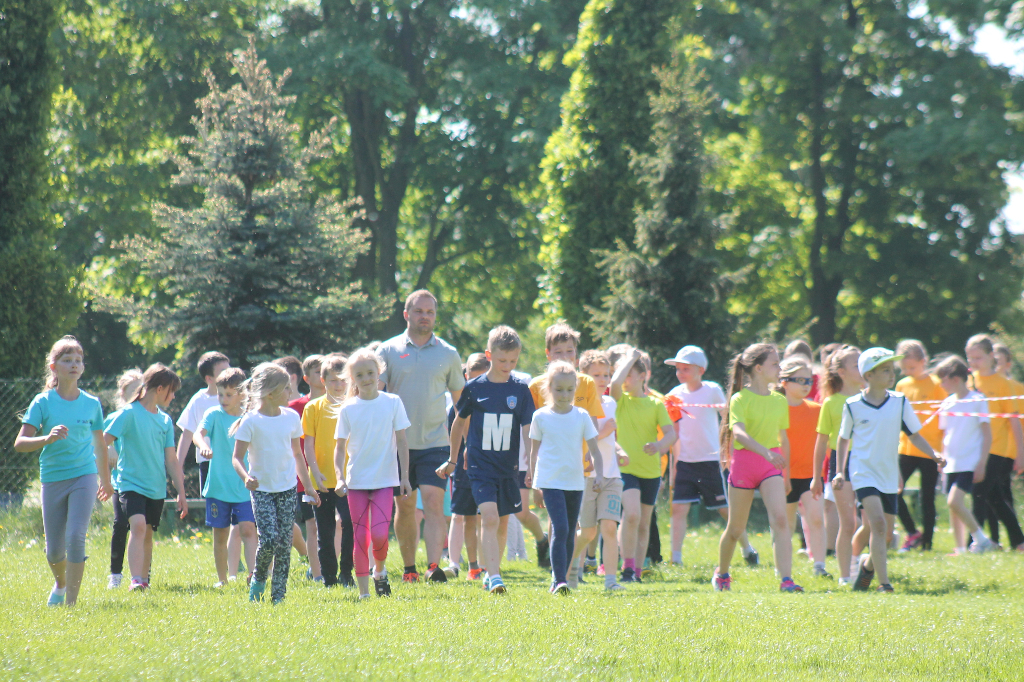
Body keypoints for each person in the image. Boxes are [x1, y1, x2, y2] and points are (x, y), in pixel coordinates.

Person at [833, 348, 945, 593]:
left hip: (888, 475)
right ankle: (884, 584)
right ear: (868, 375)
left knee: (883, 533)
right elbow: (843, 439)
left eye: (891, 369)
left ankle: (867, 566)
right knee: (878, 524)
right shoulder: (852, 405)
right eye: (884, 370)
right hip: (863, 473)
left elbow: (914, 435)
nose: (891, 374)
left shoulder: (899, 402)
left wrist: (933, 454)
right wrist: (840, 471)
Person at [14, 336, 113, 606]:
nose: (74, 364)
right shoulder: (42, 402)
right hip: (53, 478)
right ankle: (60, 584)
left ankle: (71, 604)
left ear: (83, 367)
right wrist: (47, 439)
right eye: (67, 360)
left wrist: (106, 480)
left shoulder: (92, 403)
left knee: (76, 536)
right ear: (54, 366)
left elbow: (100, 446)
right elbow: (20, 443)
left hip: (84, 475)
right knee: (54, 551)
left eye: (78, 360)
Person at [377, 290, 466, 583]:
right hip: (398, 444)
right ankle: (409, 569)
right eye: (419, 311)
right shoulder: (387, 351)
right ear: (407, 315)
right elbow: (374, 396)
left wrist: (463, 445)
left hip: (435, 444)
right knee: (404, 505)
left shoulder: (449, 353)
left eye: (430, 312)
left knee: (432, 501)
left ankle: (433, 567)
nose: (425, 317)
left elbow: (461, 404)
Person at [442, 325, 534, 594]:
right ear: (489, 354)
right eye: (502, 360)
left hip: (509, 468)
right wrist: (452, 459)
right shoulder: (473, 389)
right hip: (480, 467)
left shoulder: (520, 390)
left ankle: (492, 569)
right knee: (490, 517)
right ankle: (493, 576)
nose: (507, 365)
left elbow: (528, 429)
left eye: (513, 361)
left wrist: (532, 465)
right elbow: (458, 425)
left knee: (503, 521)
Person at [231, 363, 322, 604]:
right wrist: (246, 477)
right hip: (261, 490)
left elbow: (297, 455)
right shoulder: (250, 422)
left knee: (284, 542)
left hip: (287, 488)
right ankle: (259, 578)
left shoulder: (291, 418)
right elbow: (237, 458)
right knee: (269, 539)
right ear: (270, 393)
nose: (291, 393)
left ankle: (278, 596)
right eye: (286, 389)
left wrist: (310, 487)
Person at [713, 343, 800, 593]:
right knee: (736, 529)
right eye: (775, 363)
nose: (780, 367)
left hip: (771, 466)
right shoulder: (740, 398)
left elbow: (783, 439)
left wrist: (787, 474)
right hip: (745, 466)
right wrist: (765, 452)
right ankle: (723, 574)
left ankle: (786, 580)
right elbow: (738, 434)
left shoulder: (778, 400)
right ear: (759, 368)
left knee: (781, 520)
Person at [663, 345, 758, 568]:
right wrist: (675, 463)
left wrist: (729, 451)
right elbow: (673, 431)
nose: (680, 373)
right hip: (685, 462)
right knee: (678, 509)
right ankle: (675, 558)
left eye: (685, 368)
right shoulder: (674, 395)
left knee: (726, 511)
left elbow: (728, 420)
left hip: (710, 462)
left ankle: (747, 549)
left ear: (700, 370)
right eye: (678, 369)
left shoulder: (712, 390)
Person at [333, 348, 411, 599]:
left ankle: (380, 571)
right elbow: (340, 448)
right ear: (352, 378)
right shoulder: (348, 409)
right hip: (356, 483)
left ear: (379, 372)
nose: (366, 378)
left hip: (385, 481)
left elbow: (402, 441)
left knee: (379, 534)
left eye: (369, 372)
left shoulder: (392, 402)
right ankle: (364, 593)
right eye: (359, 374)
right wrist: (340, 477)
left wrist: (405, 477)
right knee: (360, 535)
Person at [526, 323, 605, 567]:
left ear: (577, 355)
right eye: (558, 352)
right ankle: (560, 572)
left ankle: (573, 570)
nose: (565, 357)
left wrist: (593, 454)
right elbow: (532, 433)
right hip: (551, 467)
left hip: (578, 464)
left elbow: (593, 424)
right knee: (558, 521)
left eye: (569, 351)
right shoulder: (535, 387)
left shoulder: (587, 383)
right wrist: (533, 471)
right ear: (548, 355)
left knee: (576, 524)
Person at [104, 364, 189, 591]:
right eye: (172, 392)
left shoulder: (164, 421)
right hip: (130, 483)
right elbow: (102, 442)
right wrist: (102, 477)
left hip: (156, 487)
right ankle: (136, 580)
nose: (173, 397)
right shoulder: (128, 413)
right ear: (160, 389)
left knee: (148, 533)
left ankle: (144, 579)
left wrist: (181, 491)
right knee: (138, 526)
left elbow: (171, 460)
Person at [611, 348, 677, 583]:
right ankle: (627, 567)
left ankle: (637, 571)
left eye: (630, 374)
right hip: (626, 469)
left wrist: (659, 446)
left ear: (642, 376)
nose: (625, 379)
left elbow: (671, 435)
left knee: (644, 522)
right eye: (624, 374)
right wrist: (630, 359)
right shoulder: (621, 400)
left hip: (650, 472)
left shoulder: (655, 404)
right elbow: (614, 381)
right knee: (631, 515)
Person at [174, 352, 240, 570]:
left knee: (241, 518)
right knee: (221, 519)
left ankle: (236, 558)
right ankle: (231, 562)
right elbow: (188, 433)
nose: (228, 372)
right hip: (210, 463)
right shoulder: (200, 400)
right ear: (209, 379)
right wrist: (178, 466)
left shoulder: (240, 398)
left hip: (239, 464)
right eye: (222, 370)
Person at [193, 367, 257, 586]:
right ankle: (222, 580)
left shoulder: (250, 417)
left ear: (241, 393)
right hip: (218, 487)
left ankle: (253, 576)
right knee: (220, 534)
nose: (223, 399)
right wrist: (203, 446)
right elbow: (197, 434)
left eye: (229, 394)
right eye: (220, 394)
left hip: (244, 486)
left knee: (248, 529)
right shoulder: (213, 415)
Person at [568, 350, 626, 590]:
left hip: (611, 475)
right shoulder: (576, 406)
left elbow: (610, 439)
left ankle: (611, 582)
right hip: (586, 476)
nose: (603, 380)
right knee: (588, 532)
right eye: (596, 375)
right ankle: (572, 568)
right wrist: (604, 432)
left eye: (606, 375)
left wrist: (619, 450)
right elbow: (578, 439)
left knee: (610, 527)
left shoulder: (611, 403)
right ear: (583, 377)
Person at [965, 334, 1024, 551]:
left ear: (991, 357)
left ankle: (975, 544)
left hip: (997, 450)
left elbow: (1014, 422)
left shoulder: (1002, 385)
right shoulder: (969, 382)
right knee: (995, 498)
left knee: (978, 494)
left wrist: (1020, 453)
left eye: (978, 358)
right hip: (974, 449)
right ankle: (1019, 541)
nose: (973, 363)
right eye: (970, 358)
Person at [302, 353, 356, 588]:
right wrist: (315, 473)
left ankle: (347, 572)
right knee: (324, 530)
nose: (339, 385)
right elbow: (308, 444)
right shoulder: (313, 408)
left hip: (349, 478)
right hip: (321, 479)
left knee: (349, 524)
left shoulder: (354, 407)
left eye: (343, 380)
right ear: (322, 381)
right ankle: (329, 578)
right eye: (333, 380)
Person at [810, 345, 862, 585]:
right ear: (841, 372)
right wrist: (816, 476)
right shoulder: (830, 403)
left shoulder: (871, 398)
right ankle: (845, 576)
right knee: (848, 522)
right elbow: (821, 443)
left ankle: (864, 564)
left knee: (873, 521)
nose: (862, 367)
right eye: (855, 364)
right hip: (842, 463)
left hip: (869, 460)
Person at [934, 356, 996, 555]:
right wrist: (941, 458)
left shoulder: (978, 400)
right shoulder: (947, 403)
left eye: (943, 379)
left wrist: (982, 463)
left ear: (956, 378)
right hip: (951, 461)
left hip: (970, 462)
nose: (941, 384)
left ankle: (981, 539)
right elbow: (946, 433)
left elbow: (987, 434)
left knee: (955, 501)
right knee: (953, 507)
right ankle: (960, 548)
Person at [893, 340, 946, 551]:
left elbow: (944, 418)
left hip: (930, 450)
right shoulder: (901, 385)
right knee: (893, 490)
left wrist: (941, 452)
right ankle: (913, 532)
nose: (907, 371)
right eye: (904, 368)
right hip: (906, 448)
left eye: (912, 367)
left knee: (927, 498)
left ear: (923, 362)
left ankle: (927, 543)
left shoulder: (937, 385)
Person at [778, 356, 828, 577]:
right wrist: (782, 475)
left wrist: (820, 474)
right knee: (785, 525)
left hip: (811, 476)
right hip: (783, 477)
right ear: (784, 382)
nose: (807, 385)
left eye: (810, 380)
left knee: (816, 518)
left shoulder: (817, 410)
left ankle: (819, 566)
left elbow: (824, 445)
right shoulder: (776, 409)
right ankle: (783, 569)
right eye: (800, 380)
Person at [444, 353, 490, 580]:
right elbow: (452, 431)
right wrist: (456, 456)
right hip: (463, 467)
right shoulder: (458, 405)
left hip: (487, 465)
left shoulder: (493, 403)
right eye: (474, 379)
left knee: (482, 517)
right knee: (462, 515)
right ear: (465, 377)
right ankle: (461, 564)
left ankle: (481, 565)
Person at [275, 355, 319, 580]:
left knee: (335, 525)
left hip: (330, 474)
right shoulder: (292, 409)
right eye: (318, 373)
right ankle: (315, 570)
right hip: (299, 478)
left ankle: (328, 565)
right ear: (305, 378)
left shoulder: (340, 406)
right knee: (309, 524)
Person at [105, 368, 143, 589]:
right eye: (133, 390)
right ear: (122, 393)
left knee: (143, 528)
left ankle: (142, 576)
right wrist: (108, 447)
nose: (138, 394)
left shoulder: (148, 417)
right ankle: (115, 575)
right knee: (121, 524)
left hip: (142, 483)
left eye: (141, 389)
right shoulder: (115, 418)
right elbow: (101, 443)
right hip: (121, 482)